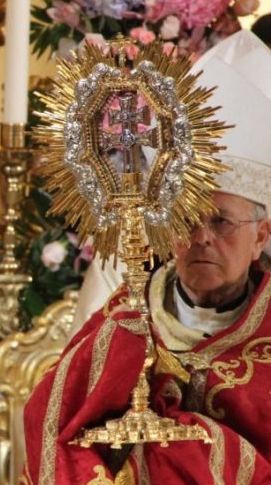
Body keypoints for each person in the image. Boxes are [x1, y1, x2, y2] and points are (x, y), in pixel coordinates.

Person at [22, 30, 271, 483]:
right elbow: (52, 426)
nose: (201, 238)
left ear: (261, 236)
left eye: (221, 222)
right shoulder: (124, 320)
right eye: (187, 218)